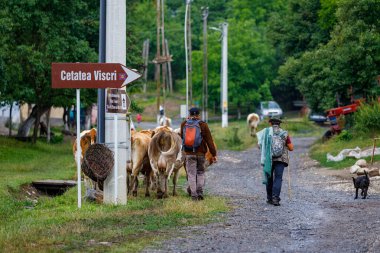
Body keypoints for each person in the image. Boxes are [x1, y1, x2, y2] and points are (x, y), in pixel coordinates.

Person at [180, 107, 217, 201]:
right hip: (201, 154)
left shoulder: (184, 124)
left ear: (189, 114)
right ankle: (199, 192)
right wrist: (213, 153)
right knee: (200, 172)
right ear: (198, 115)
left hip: (188, 153)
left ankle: (193, 195)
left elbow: (182, 138)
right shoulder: (203, 125)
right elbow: (209, 141)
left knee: (191, 174)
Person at [256, 116, 294, 206]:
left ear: (270, 123)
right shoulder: (284, 133)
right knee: (278, 178)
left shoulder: (265, 132)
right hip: (281, 159)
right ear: (279, 124)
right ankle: (275, 199)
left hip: (269, 158)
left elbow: (259, 146)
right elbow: (291, 148)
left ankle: (269, 198)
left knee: (269, 177)